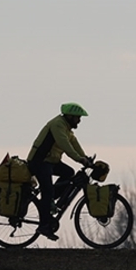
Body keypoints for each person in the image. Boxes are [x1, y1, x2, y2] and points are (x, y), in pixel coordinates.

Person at [27, 102, 93, 240]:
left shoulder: (67, 128)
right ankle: (44, 225)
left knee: (69, 173)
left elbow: (74, 144)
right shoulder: (58, 125)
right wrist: (79, 160)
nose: (79, 121)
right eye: (77, 117)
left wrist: (85, 157)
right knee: (47, 190)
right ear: (69, 116)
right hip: (40, 162)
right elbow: (65, 144)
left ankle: (51, 201)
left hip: (51, 162)